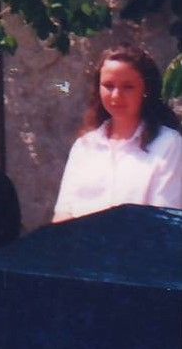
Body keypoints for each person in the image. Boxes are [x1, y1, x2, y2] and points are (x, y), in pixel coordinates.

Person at [53, 44, 182, 221]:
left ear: (146, 90)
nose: (116, 96)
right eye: (108, 85)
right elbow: (63, 214)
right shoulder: (84, 147)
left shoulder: (168, 144)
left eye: (128, 87)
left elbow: (163, 221)